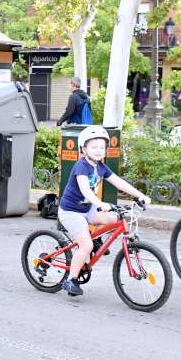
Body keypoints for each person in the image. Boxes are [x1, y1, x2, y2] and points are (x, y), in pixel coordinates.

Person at [56, 125, 152, 297]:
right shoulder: (81, 166)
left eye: (102, 147)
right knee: (86, 245)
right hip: (71, 212)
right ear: (84, 149)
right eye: (94, 147)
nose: (99, 150)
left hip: (88, 208)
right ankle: (70, 280)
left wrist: (140, 195)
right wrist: (98, 202)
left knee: (113, 219)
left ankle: (97, 241)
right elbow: (85, 189)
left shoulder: (100, 166)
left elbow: (118, 181)